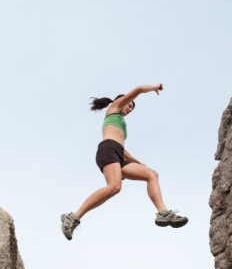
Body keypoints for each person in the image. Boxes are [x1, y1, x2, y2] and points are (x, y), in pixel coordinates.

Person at [61, 84, 188, 240]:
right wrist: (154, 88)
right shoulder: (114, 107)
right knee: (114, 187)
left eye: (131, 109)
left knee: (151, 174)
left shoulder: (121, 123)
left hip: (118, 154)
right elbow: (140, 89)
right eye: (129, 105)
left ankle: (163, 213)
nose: (129, 109)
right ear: (122, 101)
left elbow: (122, 149)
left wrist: (139, 162)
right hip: (107, 150)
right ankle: (73, 217)